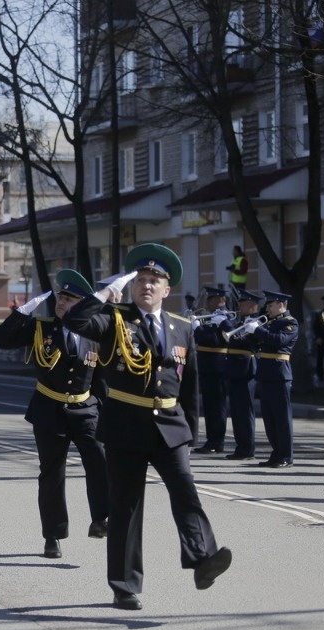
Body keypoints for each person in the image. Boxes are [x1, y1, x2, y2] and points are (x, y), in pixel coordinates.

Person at [63, 242, 232, 611]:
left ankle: (202, 559)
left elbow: (190, 386)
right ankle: (124, 586)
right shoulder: (114, 319)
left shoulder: (182, 327)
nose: (147, 285)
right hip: (125, 425)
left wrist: (191, 433)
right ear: (132, 284)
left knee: (186, 493)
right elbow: (74, 321)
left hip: (170, 426)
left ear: (166, 290)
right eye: (141, 279)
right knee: (125, 507)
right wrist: (106, 293)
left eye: (155, 280)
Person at [0, 269, 109, 559]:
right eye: (60, 297)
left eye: (69, 300)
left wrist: (106, 412)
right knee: (52, 474)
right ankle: (53, 535)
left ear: (82, 305)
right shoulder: (41, 327)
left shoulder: (94, 331)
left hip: (85, 409)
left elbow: (101, 378)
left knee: (100, 462)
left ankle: (101, 519)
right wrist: (21, 313)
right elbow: (2, 341)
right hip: (49, 409)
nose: (61, 302)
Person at [246, 290, 299, 468]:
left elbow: (280, 341)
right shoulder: (270, 323)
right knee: (269, 419)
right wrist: (250, 332)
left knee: (282, 418)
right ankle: (276, 453)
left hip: (279, 374)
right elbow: (257, 345)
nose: (267, 308)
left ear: (281, 305)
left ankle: (286, 456)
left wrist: (259, 331)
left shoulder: (290, 323)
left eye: (270, 305)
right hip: (266, 373)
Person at [220, 289, 264, 460]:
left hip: (246, 368)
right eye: (240, 304)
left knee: (245, 412)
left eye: (244, 304)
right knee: (236, 411)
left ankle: (248, 449)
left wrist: (227, 326)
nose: (240, 307)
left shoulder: (257, 324)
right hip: (233, 367)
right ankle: (241, 447)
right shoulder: (240, 320)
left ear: (253, 306)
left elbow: (243, 341)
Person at [191, 287, 231, 454]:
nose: (207, 303)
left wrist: (197, 329)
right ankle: (211, 440)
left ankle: (218, 440)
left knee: (218, 406)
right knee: (209, 405)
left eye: (210, 299)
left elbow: (215, 340)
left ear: (219, 300)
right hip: (207, 365)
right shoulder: (210, 315)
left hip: (218, 365)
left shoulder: (225, 317)